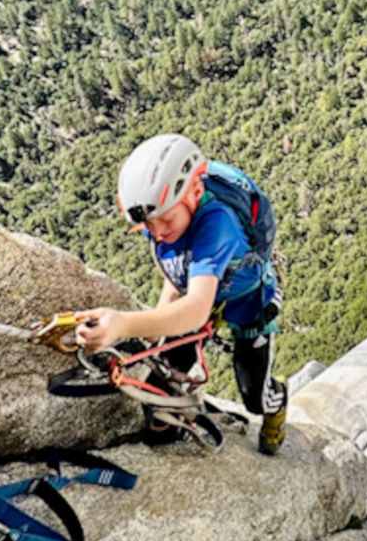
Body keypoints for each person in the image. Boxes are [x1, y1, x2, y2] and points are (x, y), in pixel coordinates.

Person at [73, 134, 288, 455]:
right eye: (149, 225)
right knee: (163, 383)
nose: (158, 231)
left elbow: (197, 308)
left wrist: (123, 325)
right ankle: (167, 435)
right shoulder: (164, 210)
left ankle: (277, 402)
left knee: (255, 397)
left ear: (195, 193)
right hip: (198, 292)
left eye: (166, 221)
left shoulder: (218, 223)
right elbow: (177, 271)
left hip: (247, 299)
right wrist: (159, 324)